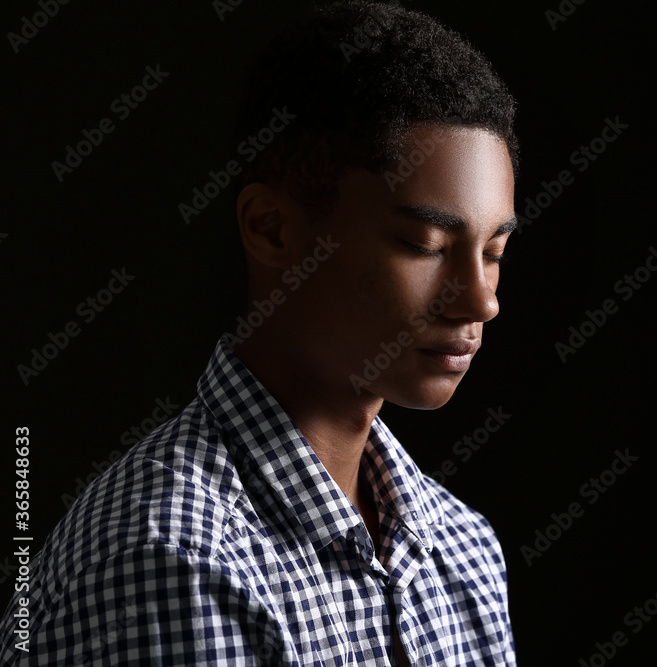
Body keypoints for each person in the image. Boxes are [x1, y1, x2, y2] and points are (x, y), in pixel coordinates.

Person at [0, 2, 519, 664]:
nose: (481, 298)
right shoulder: (174, 557)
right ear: (272, 229)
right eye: (425, 244)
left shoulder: (463, 550)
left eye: (494, 251)